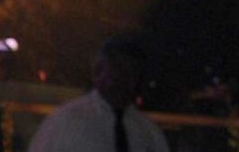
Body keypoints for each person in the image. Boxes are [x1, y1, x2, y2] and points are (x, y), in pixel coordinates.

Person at [28, 38, 169, 152]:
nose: (124, 78)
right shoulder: (67, 121)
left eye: (131, 71)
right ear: (97, 72)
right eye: (118, 68)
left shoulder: (147, 131)